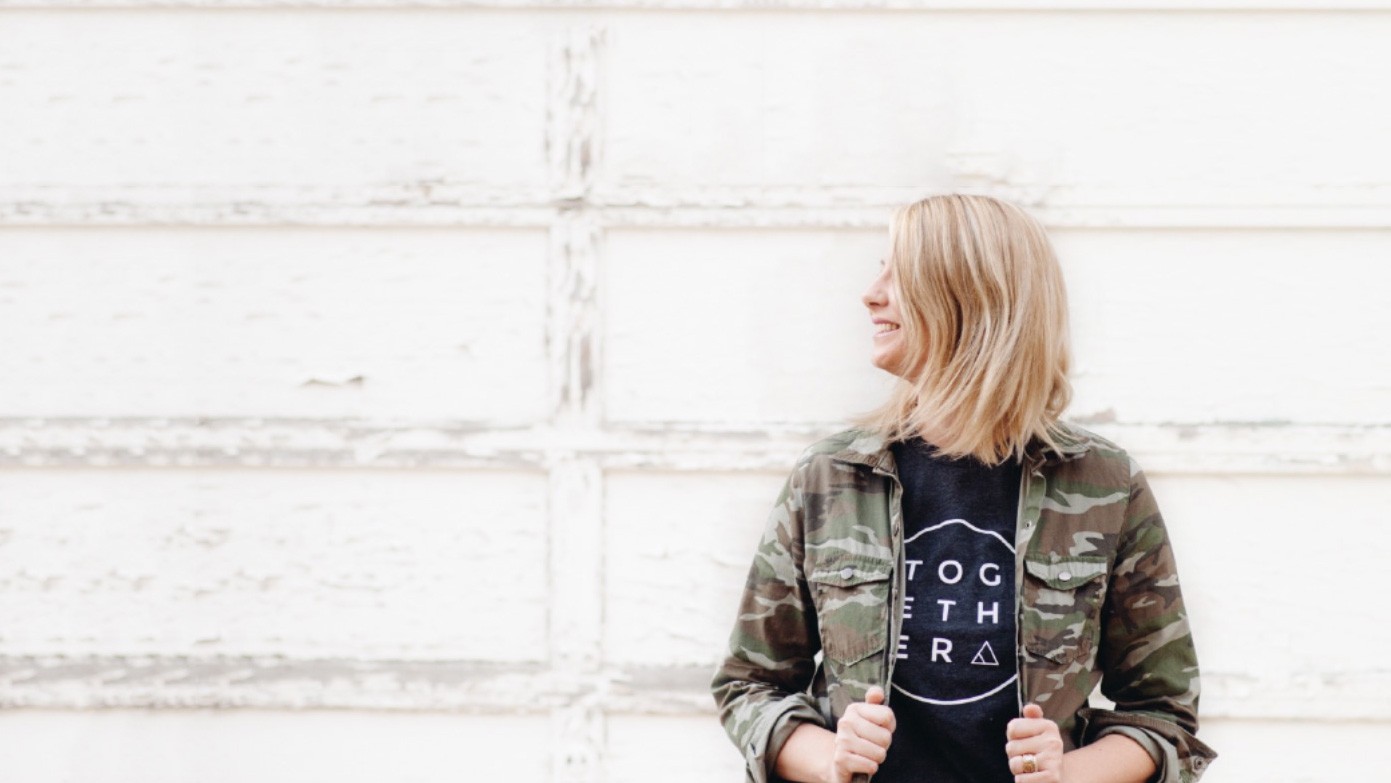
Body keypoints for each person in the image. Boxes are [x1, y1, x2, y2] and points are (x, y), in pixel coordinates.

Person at [710, 194, 1216, 783]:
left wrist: (1070, 774)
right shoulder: (829, 478)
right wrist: (828, 759)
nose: (871, 294)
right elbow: (749, 685)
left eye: (900, 273)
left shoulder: (1104, 485)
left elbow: (1164, 714)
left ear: (970, 296)